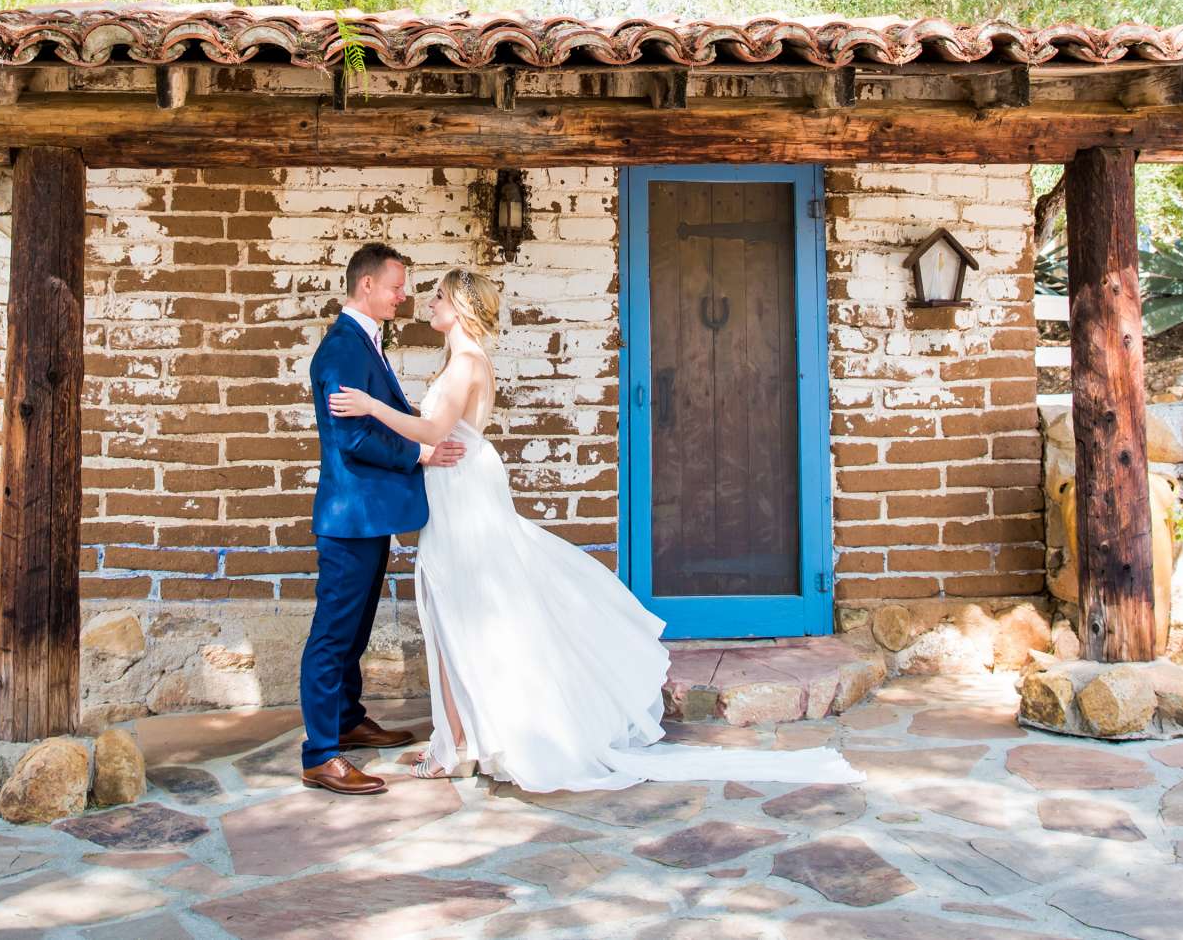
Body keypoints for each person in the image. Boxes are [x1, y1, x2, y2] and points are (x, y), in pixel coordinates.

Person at [329, 266, 862, 793]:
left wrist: (371, 405)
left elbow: (431, 430)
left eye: (440, 297)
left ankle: (457, 748)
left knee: (455, 612)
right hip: (461, 483)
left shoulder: (467, 362)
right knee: (455, 614)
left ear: (461, 307)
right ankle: (460, 737)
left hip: (462, 492)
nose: (429, 303)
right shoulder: (465, 360)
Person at [298, 242, 468, 796]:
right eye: (397, 286)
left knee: (355, 630)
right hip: (350, 516)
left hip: (367, 517)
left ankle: (346, 721)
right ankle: (320, 754)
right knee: (332, 634)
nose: (404, 295)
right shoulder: (343, 350)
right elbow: (354, 437)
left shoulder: (364, 343)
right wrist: (421, 454)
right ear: (365, 285)